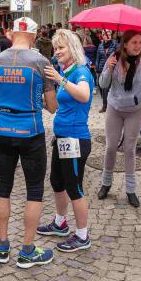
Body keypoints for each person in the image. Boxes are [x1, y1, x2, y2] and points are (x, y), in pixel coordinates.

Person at [0, 17, 58, 268]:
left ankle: (2, 245)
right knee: (34, 191)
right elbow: (52, 106)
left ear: (12, 33)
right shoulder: (41, 62)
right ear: (34, 35)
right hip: (31, 131)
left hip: (3, 129)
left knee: (2, 186)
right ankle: (27, 250)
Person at [36, 29, 94, 252]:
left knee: (74, 187)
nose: (57, 51)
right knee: (57, 182)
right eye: (55, 48)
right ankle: (60, 223)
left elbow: (84, 95)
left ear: (73, 48)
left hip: (75, 138)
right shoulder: (66, 71)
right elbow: (61, 106)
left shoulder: (81, 71)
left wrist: (60, 79)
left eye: (61, 47)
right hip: (62, 137)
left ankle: (82, 235)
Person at [97, 30, 141, 208]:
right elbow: (103, 84)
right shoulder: (114, 58)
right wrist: (109, 68)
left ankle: (131, 190)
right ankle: (106, 183)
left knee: (130, 149)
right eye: (134, 43)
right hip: (115, 108)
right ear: (125, 44)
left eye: (140, 42)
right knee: (110, 147)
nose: (138, 46)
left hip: (135, 111)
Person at [95, 31, 117, 113]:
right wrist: (97, 67)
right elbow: (98, 57)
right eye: (105, 34)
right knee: (102, 87)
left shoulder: (115, 44)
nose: (107, 36)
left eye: (109, 34)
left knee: (108, 87)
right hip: (102, 68)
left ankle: (107, 106)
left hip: (111, 69)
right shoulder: (100, 46)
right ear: (103, 36)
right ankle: (105, 104)